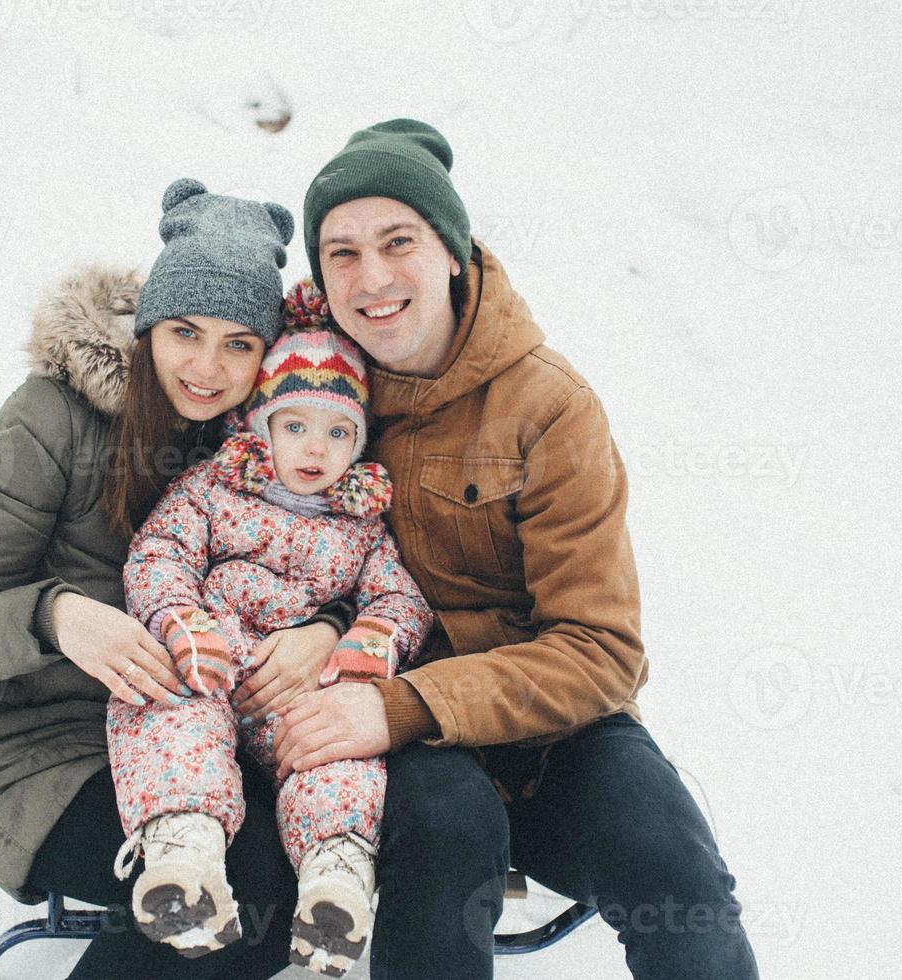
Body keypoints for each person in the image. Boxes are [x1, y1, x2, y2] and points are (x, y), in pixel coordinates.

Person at [273, 119, 762, 979]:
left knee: (676, 875)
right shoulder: (312, 394)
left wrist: (408, 704)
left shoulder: (548, 406)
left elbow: (602, 649)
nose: (373, 277)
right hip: (401, 732)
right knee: (445, 854)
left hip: (554, 723)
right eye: (341, 253)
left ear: (454, 252)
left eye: (399, 242)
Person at [0, 177, 353, 979]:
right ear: (149, 325)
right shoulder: (48, 418)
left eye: (238, 343)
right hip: (32, 743)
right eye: (185, 331)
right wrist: (62, 619)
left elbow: (349, 552)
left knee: (301, 859)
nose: (205, 366)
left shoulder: (260, 442)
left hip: (189, 731)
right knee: (248, 889)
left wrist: (324, 626)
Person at [106, 312, 432, 976]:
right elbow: (158, 554)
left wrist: (369, 640)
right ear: (261, 428)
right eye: (296, 426)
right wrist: (180, 621)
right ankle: (183, 852)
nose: (316, 449)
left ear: (360, 444)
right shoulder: (213, 491)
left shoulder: (363, 526)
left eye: (339, 432)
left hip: (298, 687)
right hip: (212, 659)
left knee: (335, 746)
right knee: (168, 710)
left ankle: (333, 877)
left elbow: (400, 599)